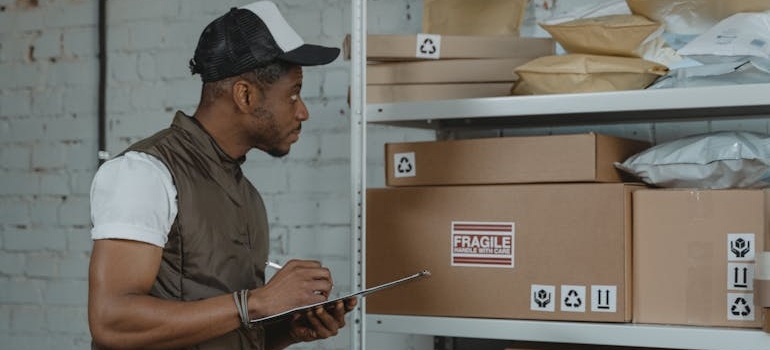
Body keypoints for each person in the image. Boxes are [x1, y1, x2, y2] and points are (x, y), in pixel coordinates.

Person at [87, 1, 356, 349]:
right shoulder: (144, 174)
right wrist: (256, 303)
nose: (303, 111)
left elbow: (222, 327)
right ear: (245, 95)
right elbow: (112, 322)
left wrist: (285, 329)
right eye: (293, 94)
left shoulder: (248, 197)